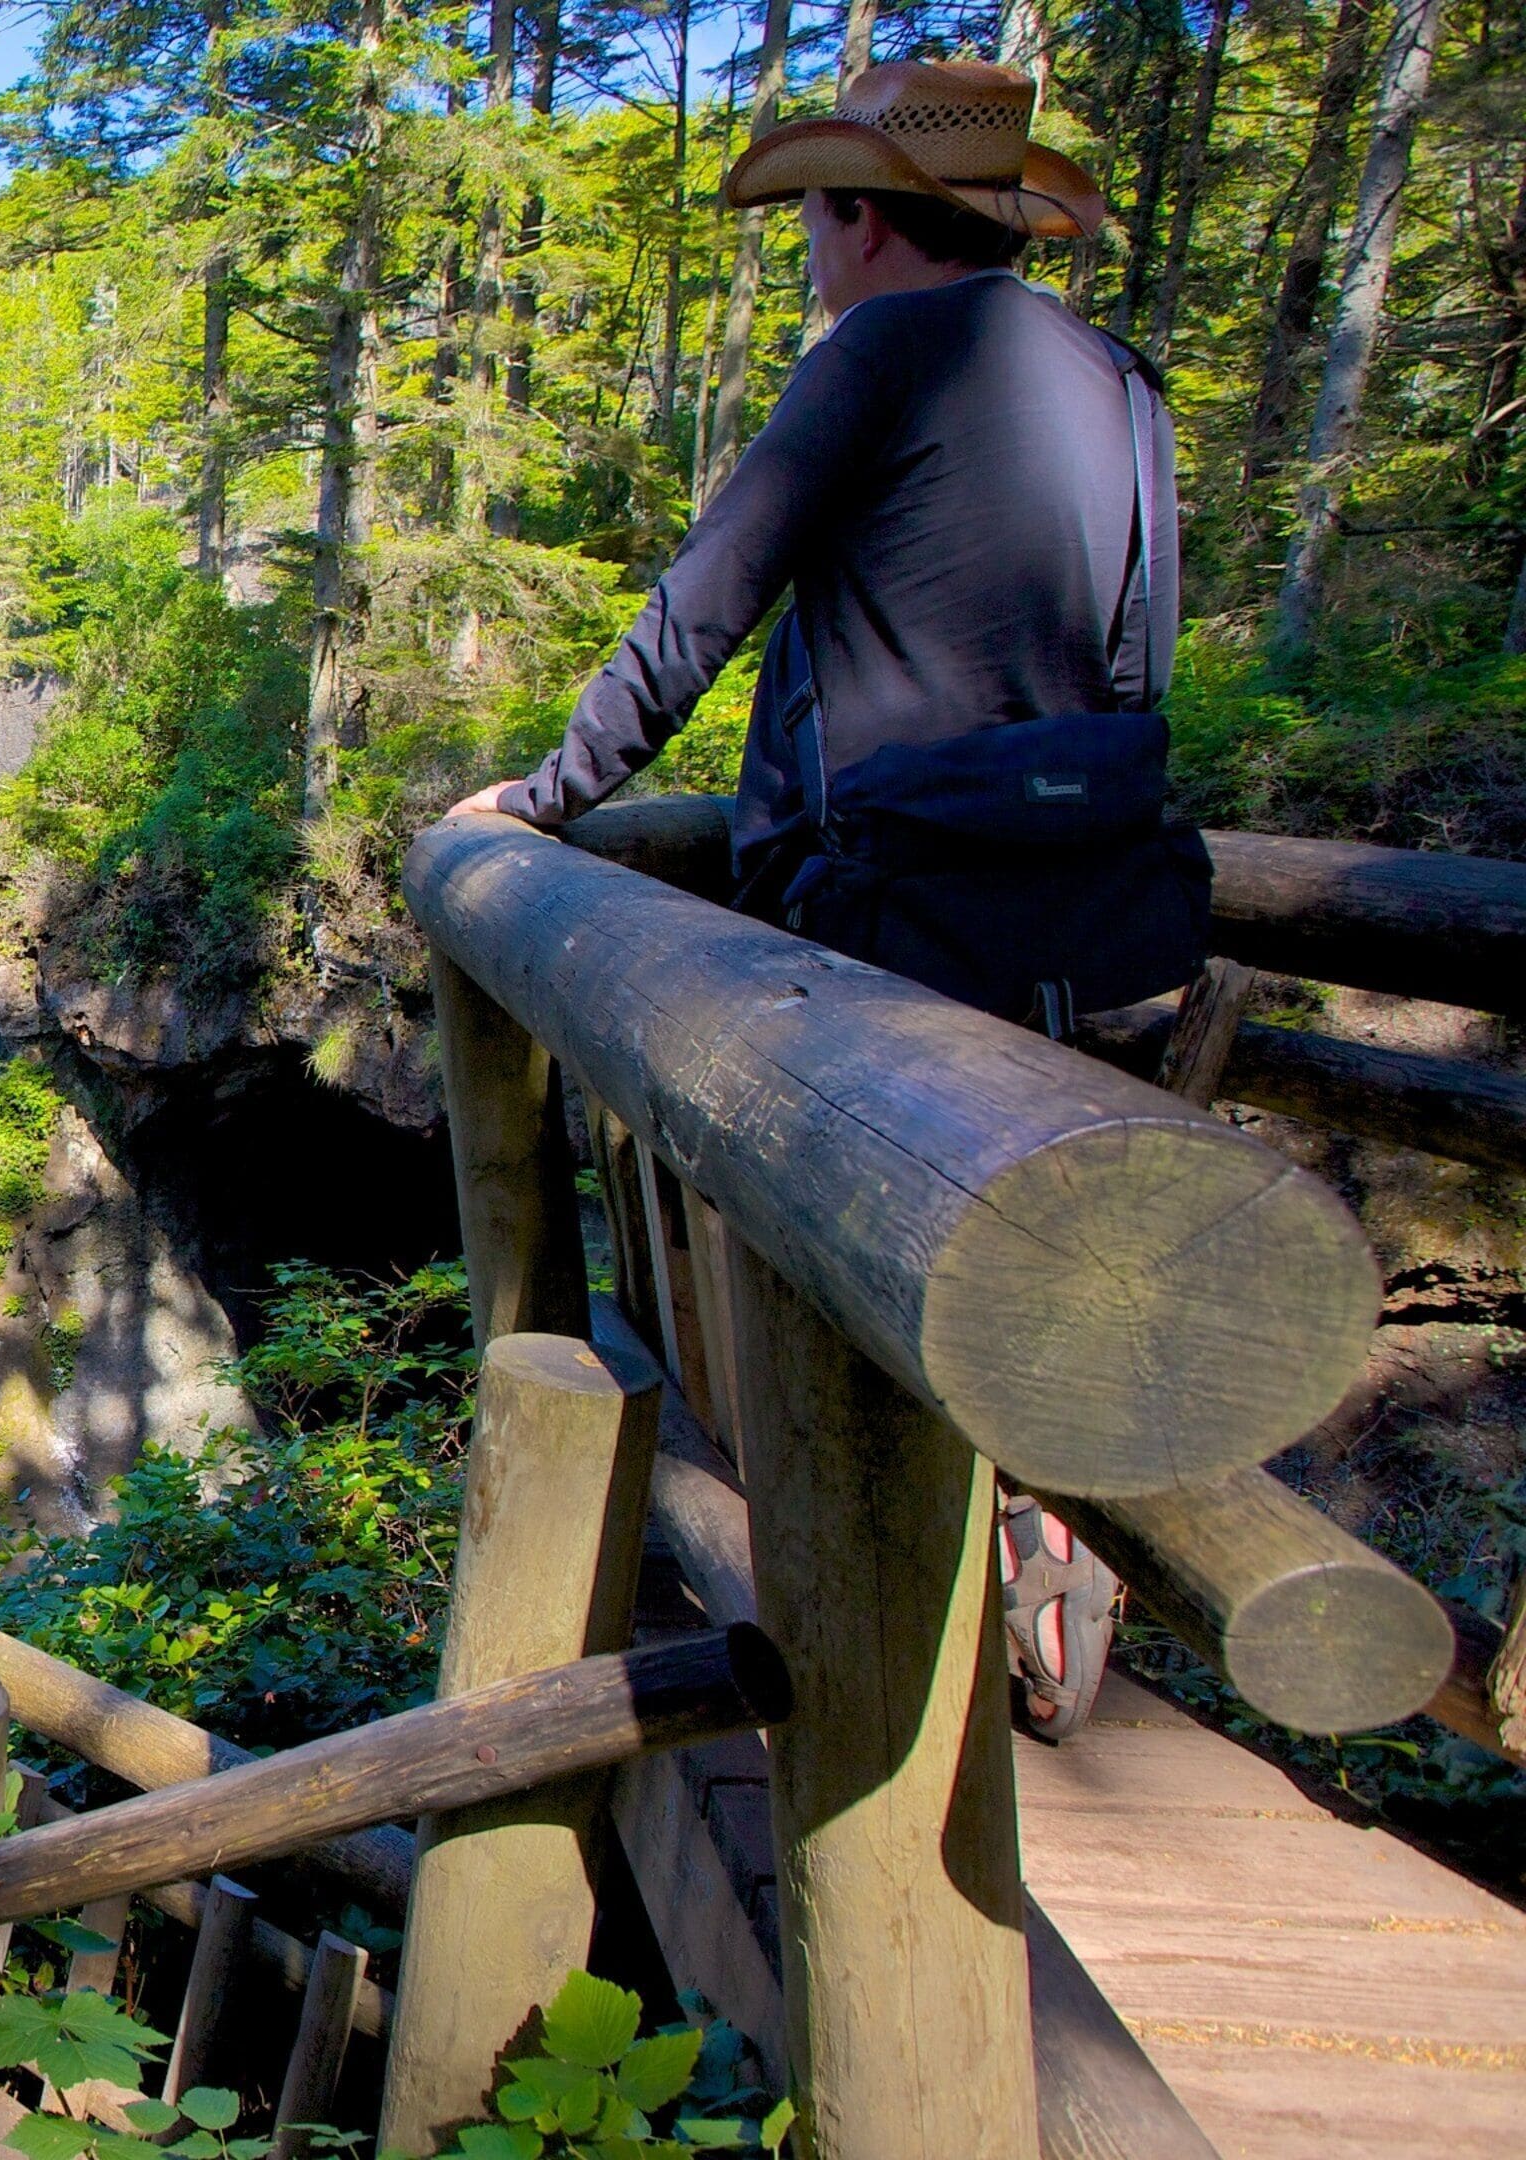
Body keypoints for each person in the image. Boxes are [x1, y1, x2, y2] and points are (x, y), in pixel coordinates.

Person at [448, 60, 1169, 1739]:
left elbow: (709, 604)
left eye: (815, 221)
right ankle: (1048, 1567)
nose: (809, 257)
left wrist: (548, 800)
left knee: (848, 1245)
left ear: (863, 216)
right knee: (1025, 1230)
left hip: (877, 891)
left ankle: (882, 1635)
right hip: (1067, 883)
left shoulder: (878, 356)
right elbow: (1137, 648)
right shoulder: (1116, 375)